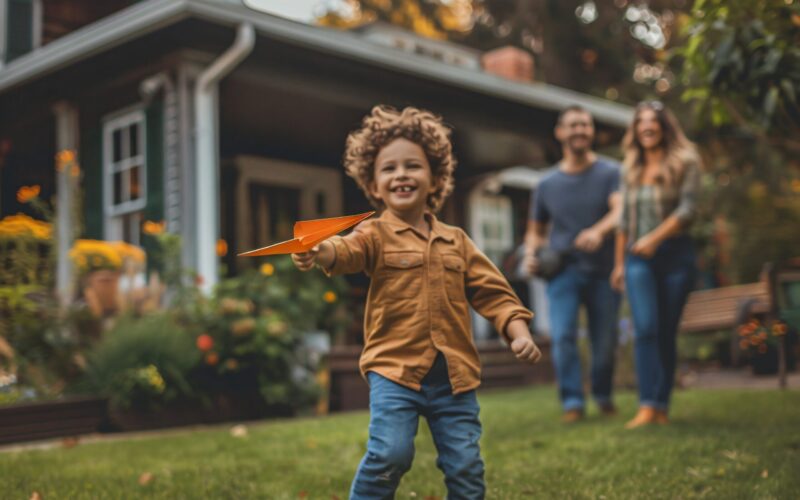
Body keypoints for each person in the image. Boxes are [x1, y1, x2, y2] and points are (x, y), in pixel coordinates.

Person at [292, 105, 541, 498]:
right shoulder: (374, 234)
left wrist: (518, 331)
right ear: (373, 185)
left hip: (453, 378)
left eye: (413, 166)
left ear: (435, 177)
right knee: (390, 454)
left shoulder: (457, 240)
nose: (401, 175)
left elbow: (493, 291)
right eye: (388, 169)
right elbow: (345, 251)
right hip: (394, 371)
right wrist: (318, 251)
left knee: (466, 466)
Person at [523, 105, 622, 423]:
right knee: (563, 335)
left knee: (604, 340)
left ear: (591, 132)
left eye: (585, 125)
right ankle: (572, 402)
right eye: (573, 125)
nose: (580, 130)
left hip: (603, 270)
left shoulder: (611, 173)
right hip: (562, 271)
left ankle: (603, 395)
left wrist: (598, 231)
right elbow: (536, 230)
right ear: (560, 132)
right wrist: (530, 254)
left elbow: (620, 212)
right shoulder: (546, 183)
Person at [610, 101, 700, 429]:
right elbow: (623, 221)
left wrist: (654, 239)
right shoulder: (629, 168)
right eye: (641, 122)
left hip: (676, 255)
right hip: (637, 258)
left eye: (653, 121)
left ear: (664, 126)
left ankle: (662, 404)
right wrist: (619, 264)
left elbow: (688, 211)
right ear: (635, 130)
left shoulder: (686, 161)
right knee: (645, 327)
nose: (647, 127)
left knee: (665, 332)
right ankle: (647, 405)